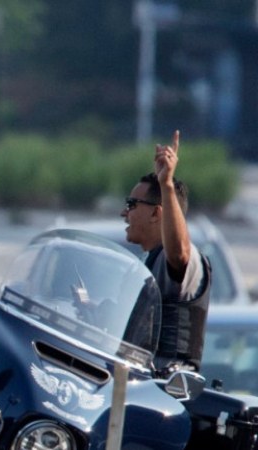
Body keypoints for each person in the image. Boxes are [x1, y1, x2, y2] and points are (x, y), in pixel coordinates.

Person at [120, 130, 211, 374]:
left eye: (131, 205)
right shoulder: (147, 261)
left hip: (167, 392)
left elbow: (179, 253)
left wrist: (166, 185)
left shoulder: (180, 259)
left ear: (155, 213)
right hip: (136, 384)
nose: (124, 213)